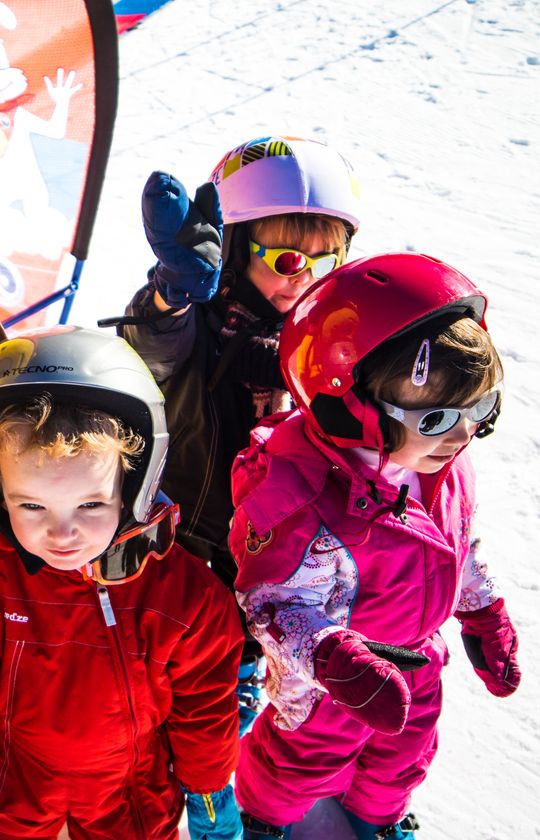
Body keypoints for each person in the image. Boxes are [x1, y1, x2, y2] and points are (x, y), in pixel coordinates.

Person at [0, 326, 244, 840]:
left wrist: (208, 790)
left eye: (90, 505)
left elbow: (204, 705)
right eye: (32, 505)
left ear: (134, 485)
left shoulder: (183, 596)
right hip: (8, 790)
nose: (61, 533)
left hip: (129, 793)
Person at [228, 253, 521, 840]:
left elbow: (456, 543)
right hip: (328, 684)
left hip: (418, 658)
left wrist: (483, 612)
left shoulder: (441, 464)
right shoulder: (304, 500)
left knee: (403, 756)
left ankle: (377, 814)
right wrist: (337, 663)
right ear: (352, 407)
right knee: (299, 764)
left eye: (480, 410)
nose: (465, 435)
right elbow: (270, 608)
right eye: (438, 418)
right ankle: (262, 819)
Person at [107, 135, 363, 731]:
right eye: (286, 260)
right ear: (233, 249)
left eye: (325, 263)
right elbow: (153, 350)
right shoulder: (201, 320)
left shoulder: (333, 337)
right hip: (191, 551)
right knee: (166, 697)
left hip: (280, 566)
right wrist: (171, 294)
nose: (303, 282)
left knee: (225, 717)